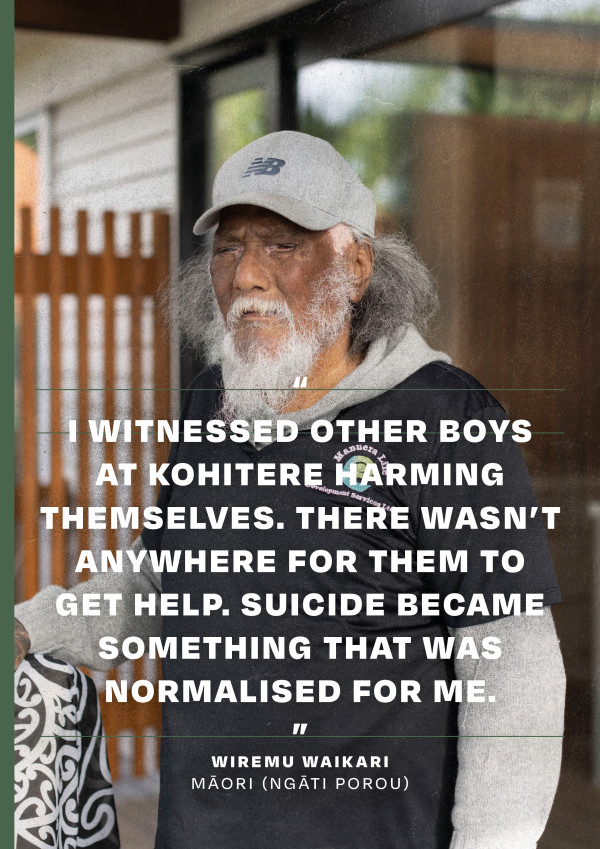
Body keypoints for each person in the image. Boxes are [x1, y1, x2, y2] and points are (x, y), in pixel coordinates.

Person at [15, 131, 566, 849]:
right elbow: (162, 580)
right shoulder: (215, 398)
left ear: (358, 264)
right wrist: (34, 627)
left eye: (281, 245)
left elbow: (514, 660)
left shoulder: (444, 415)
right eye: (228, 247)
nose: (246, 275)